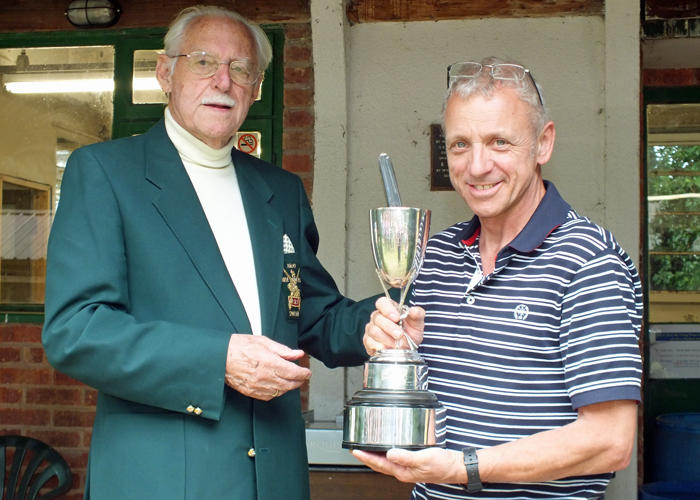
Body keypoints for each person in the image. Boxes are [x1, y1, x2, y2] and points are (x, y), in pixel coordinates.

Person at [41, 6, 393, 500]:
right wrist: (218, 359)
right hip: (160, 480)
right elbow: (75, 330)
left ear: (256, 87)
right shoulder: (105, 173)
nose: (223, 81)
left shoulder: (280, 190)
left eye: (242, 69)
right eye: (204, 62)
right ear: (166, 73)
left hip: (273, 477)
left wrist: (374, 327)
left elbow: (311, 313)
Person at [355, 56, 643, 499]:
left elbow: (610, 442)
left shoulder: (588, 261)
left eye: (499, 142)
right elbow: (433, 417)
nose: (476, 167)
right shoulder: (434, 256)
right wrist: (399, 354)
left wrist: (463, 468)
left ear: (543, 144)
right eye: (459, 145)